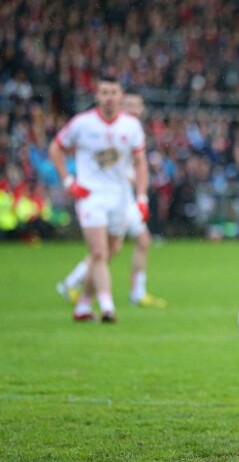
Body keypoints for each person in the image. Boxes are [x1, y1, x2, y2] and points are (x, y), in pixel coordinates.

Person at [49, 75, 149, 322]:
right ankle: (107, 306)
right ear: (97, 96)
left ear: (120, 96)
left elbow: (140, 163)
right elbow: (55, 149)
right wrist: (68, 181)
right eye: (104, 92)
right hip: (91, 196)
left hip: (120, 198)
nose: (108, 97)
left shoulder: (131, 127)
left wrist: (142, 197)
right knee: (99, 252)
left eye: (113, 92)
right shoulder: (82, 124)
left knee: (111, 250)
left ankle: (83, 304)